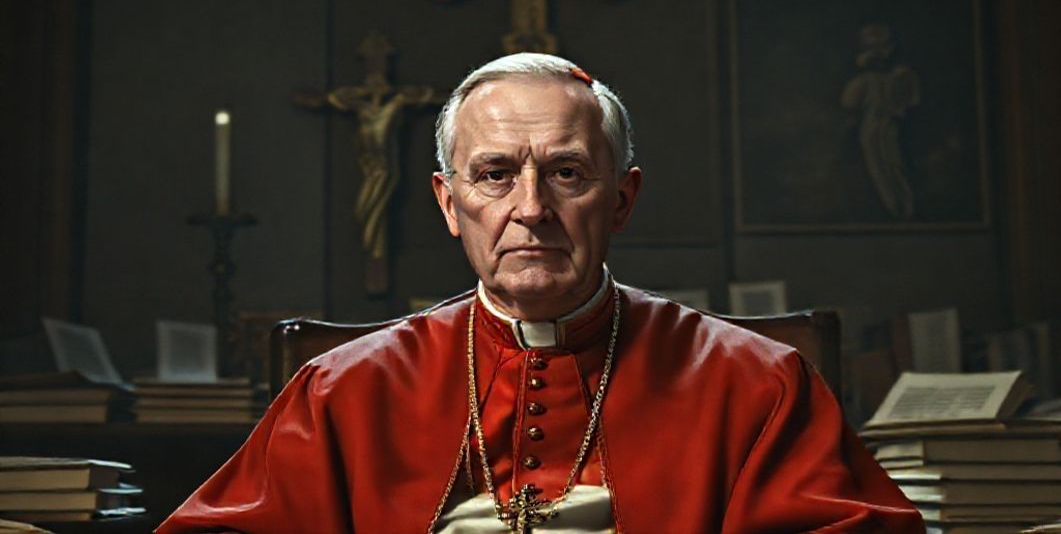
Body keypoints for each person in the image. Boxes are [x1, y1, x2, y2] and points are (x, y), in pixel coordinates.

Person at [157, 53, 924, 533]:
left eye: (566, 172)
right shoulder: (340, 389)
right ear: (449, 204)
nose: (530, 207)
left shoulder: (755, 383)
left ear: (620, 199)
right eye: (494, 173)